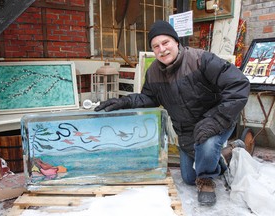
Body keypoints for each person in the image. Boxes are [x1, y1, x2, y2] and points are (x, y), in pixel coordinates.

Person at [95, 20, 250, 206]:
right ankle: (230, 151)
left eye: (166, 42)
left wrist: (217, 119)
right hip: (187, 130)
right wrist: (125, 101)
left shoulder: (201, 60)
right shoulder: (153, 72)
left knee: (207, 149)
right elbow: (149, 98)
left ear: (176, 42)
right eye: (156, 46)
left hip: (218, 119)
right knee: (188, 177)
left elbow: (239, 84)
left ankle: (207, 181)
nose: (162, 49)